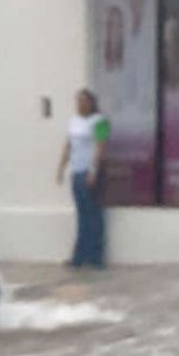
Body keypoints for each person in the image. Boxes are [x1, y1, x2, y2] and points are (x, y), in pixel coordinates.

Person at [57, 89, 110, 269]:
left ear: (91, 103)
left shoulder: (100, 121)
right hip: (77, 172)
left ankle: (96, 257)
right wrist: (61, 168)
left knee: (94, 215)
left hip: (91, 173)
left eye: (84, 101)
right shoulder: (74, 121)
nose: (80, 105)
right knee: (82, 215)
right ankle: (79, 256)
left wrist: (93, 171)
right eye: (78, 101)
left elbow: (101, 147)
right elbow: (68, 144)